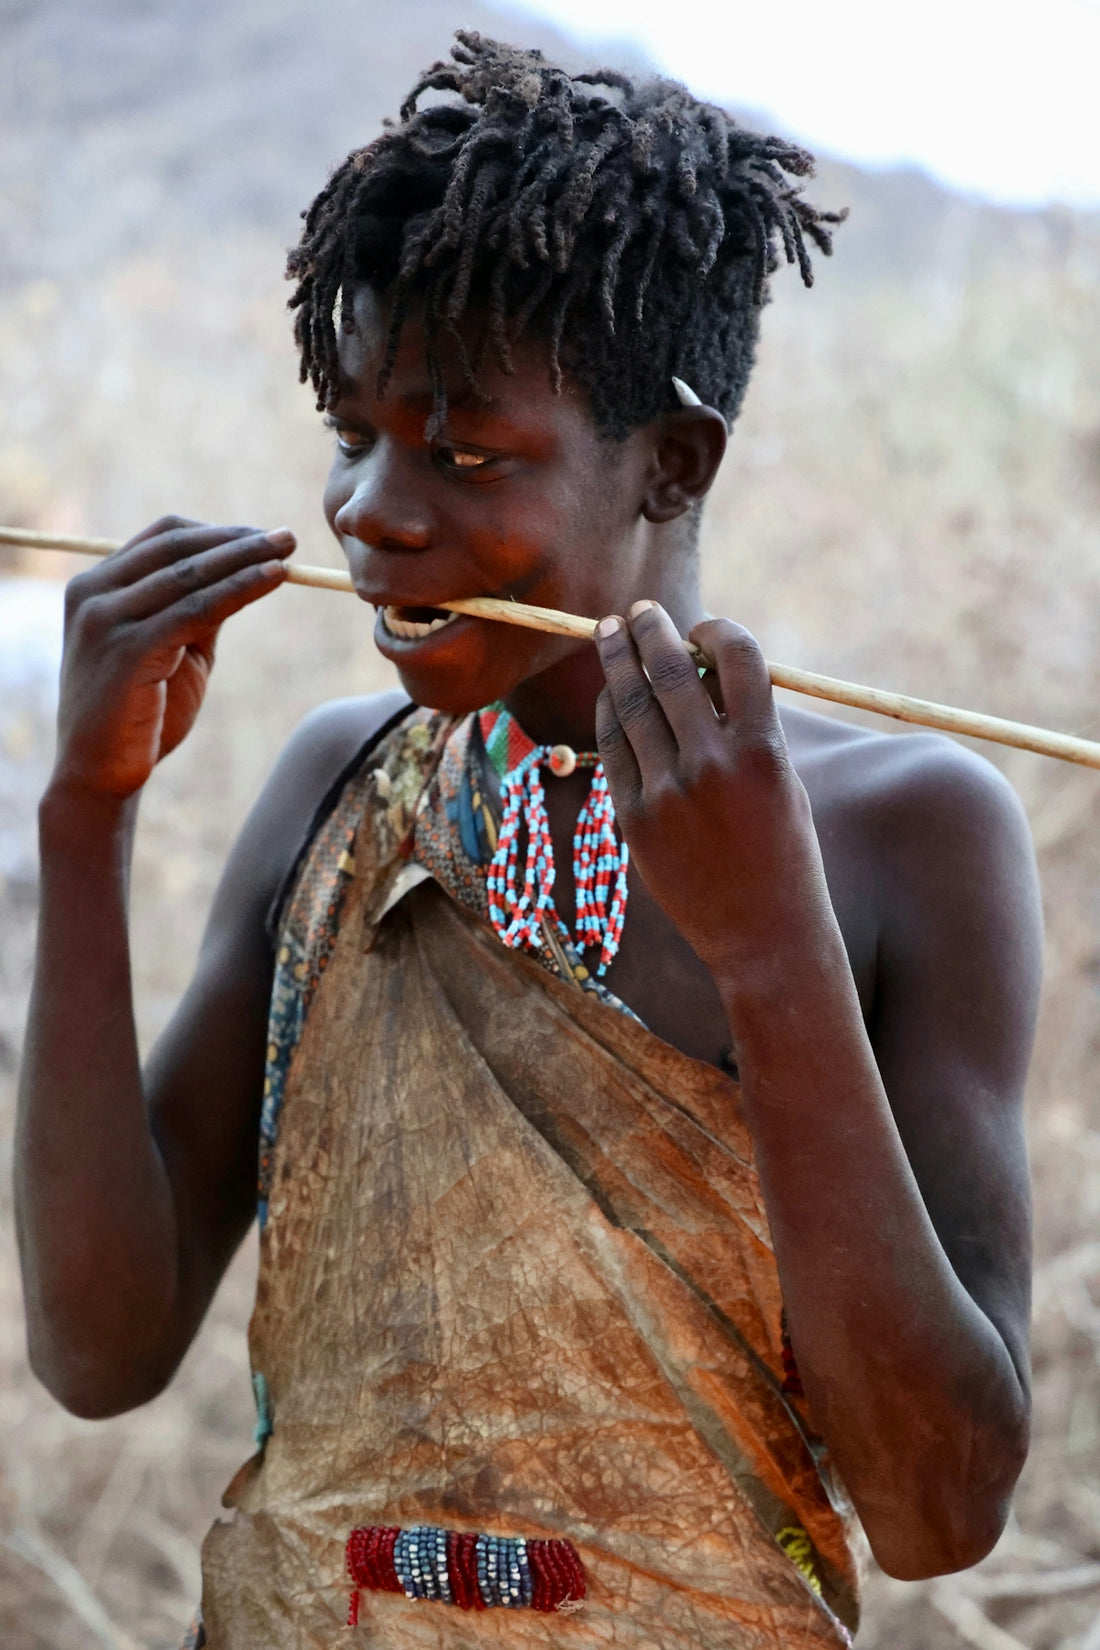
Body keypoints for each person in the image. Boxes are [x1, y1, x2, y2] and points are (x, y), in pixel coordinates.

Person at [16, 32, 1042, 1650]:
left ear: (672, 463)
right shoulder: (339, 784)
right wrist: (87, 816)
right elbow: (98, 1352)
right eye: (351, 431)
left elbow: (937, 1508)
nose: (370, 507)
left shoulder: (909, 833)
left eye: (466, 452)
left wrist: (772, 947)